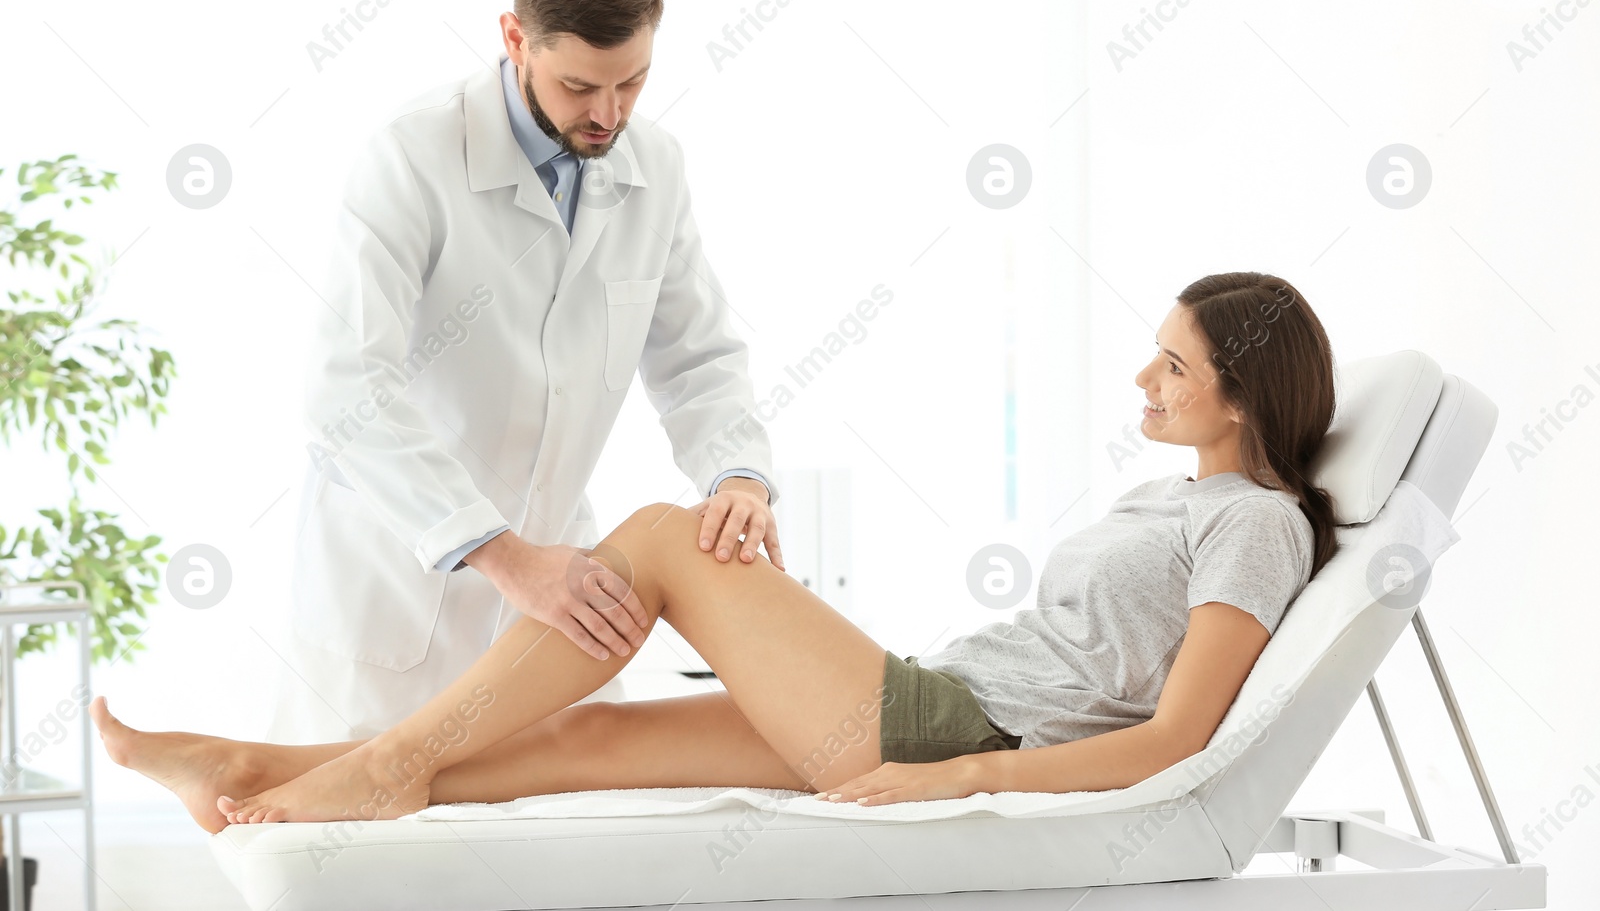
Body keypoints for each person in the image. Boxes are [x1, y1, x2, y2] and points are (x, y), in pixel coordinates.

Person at [94, 272, 1340, 829]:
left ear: (1242, 394)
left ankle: (393, 761)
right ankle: (249, 765)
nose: (1144, 374)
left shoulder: (1254, 523)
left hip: (952, 734)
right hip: (930, 697)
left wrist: (963, 781)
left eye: (1173, 362)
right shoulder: (1174, 498)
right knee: (588, 737)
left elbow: (1178, 739)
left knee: (656, 537)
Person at [274, 0, 783, 744]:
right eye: (581, 85)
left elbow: (698, 357)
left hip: (554, 591)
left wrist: (739, 478)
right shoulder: (413, 156)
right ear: (516, 38)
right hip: (394, 591)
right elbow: (346, 389)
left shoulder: (654, 167)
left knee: (560, 841)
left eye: (634, 82)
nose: (608, 113)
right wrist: (506, 558)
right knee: (360, 830)